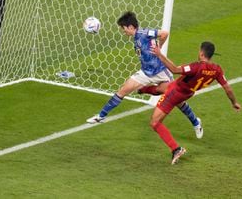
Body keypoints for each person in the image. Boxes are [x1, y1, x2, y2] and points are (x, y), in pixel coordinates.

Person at [87, 11, 203, 139]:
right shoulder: (136, 38)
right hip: (145, 72)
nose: (123, 31)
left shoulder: (144, 33)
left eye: (124, 28)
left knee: (178, 100)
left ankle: (196, 122)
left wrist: (159, 46)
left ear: (131, 27)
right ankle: (101, 116)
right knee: (123, 90)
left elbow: (164, 33)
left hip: (160, 72)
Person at [150, 41, 241, 164]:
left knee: (155, 122)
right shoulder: (217, 69)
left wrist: (159, 54)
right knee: (159, 88)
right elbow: (228, 88)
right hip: (187, 92)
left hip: (175, 93)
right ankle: (139, 90)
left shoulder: (196, 67)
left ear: (202, 53)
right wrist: (234, 102)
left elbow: (175, 69)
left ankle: (176, 149)